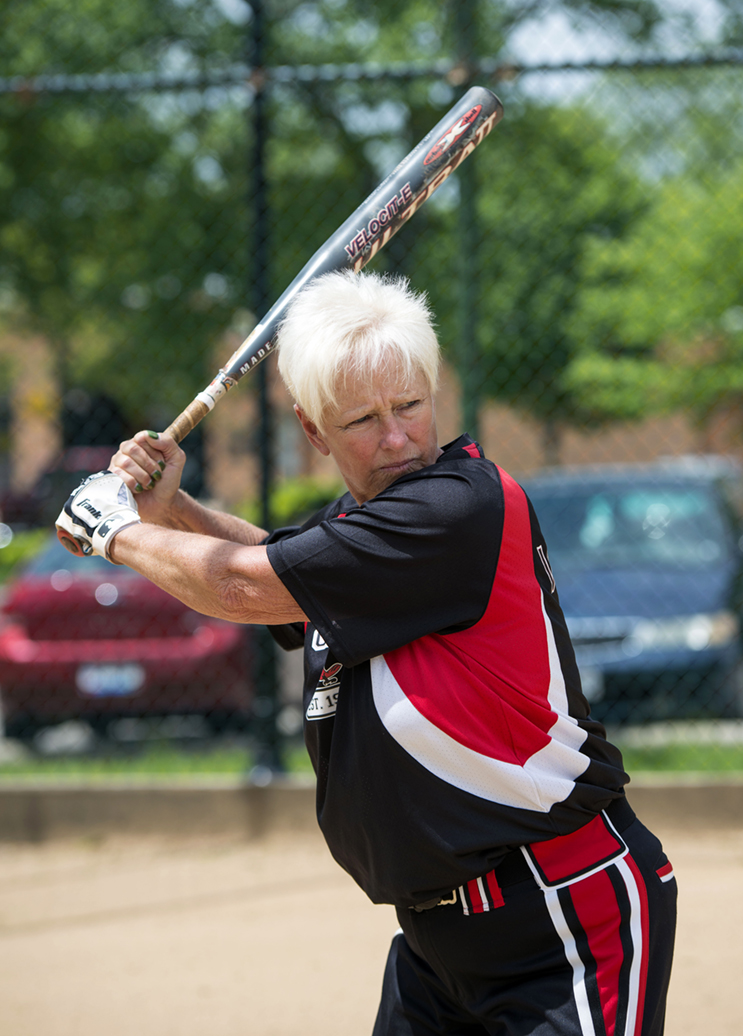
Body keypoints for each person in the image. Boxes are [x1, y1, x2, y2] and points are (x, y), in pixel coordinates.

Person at [57, 269, 677, 1036]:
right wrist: (170, 510)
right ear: (313, 433)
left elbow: (254, 589)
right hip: (433, 945)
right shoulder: (366, 521)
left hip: (559, 918)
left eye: (409, 406)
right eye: (362, 420)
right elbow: (282, 561)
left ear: (433, 396)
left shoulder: (457, 505)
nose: (395, 437)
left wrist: (115, 530)